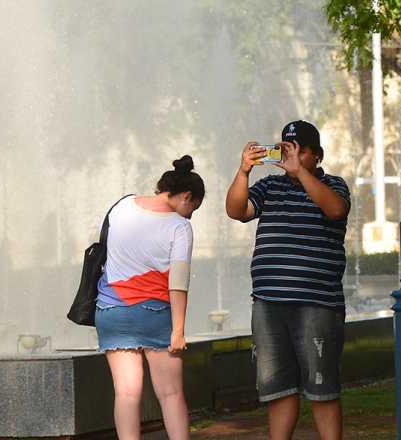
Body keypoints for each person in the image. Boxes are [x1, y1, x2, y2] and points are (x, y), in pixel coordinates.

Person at [225, 120, 351, 440]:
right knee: (278, 389)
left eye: (299, 151)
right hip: (269, 304)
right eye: (285, 150)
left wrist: (301, 174)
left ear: (317, 155)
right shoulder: (269, 186)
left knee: (322, 389)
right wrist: (243, 171)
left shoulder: (333, 185)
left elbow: (336, 210)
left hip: (317, 304)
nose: (290, 157)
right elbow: (237, 211)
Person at [95, 155, 205, 440]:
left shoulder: (122, 206)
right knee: (170, 394)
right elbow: (178, 283)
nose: (191, 215)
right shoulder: (179, 227)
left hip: (111, 310)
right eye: (193, 208)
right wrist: (178, 330)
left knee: (126, 393)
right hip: (153, 314)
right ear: (186, 196)